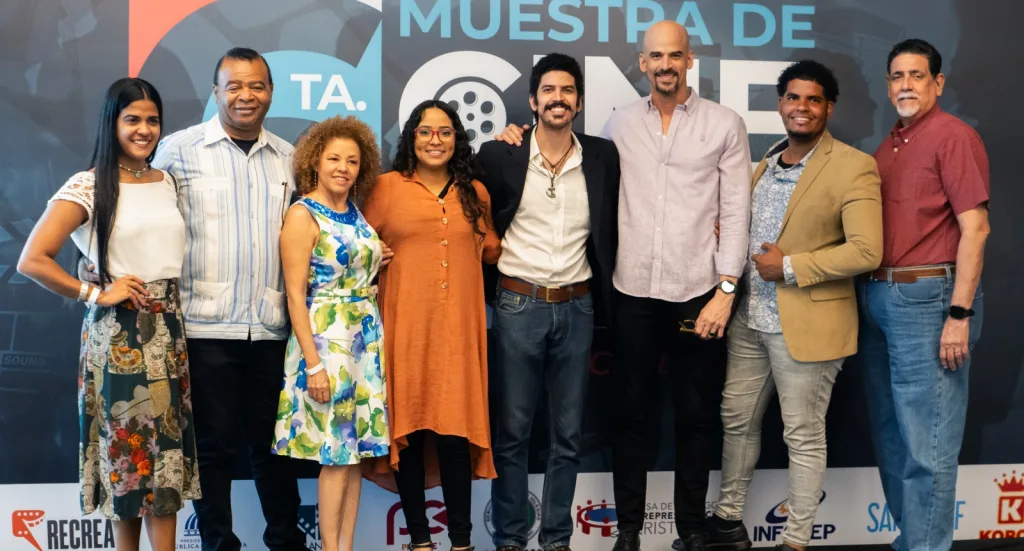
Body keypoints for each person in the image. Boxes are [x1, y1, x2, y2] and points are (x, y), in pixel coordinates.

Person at [500, 22, 752, 551]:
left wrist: (726, 290)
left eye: (674, 55)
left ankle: (691, 530)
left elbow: (735, 211)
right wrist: (514, 135)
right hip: (631, 292)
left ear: (689, 60)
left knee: (695, 416)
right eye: (656, 56)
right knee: (631, 415)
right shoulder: (618, 124)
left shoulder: (725, 124)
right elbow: (569, 153)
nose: (665, 65)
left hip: (698, 292)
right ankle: (629, 531)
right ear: (642, 63)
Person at [703, 60, 883, 551]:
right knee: (736, 420)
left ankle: (796, 540)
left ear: (829, 107)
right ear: (780, 103)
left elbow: (867, 250)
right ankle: (727, 523)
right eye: (793, 98)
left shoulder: (853, 165)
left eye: (813, 99)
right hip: (749, 320)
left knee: (802, 434)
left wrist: (789, 266)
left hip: (808, 324)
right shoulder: (766, 162)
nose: (802, 107)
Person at [18, 77, 200, 551]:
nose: (144, 130)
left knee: (165, 463)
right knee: (128, 460)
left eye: (153, 120)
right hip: (120, 337)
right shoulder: (88, 183)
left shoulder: (166, 181)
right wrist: (94, 292)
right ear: (111, 123)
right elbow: (32, 259)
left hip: (168, 332)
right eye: (132, 119)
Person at [150, 47, 304, 551]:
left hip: (271, 328)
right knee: (212, 450)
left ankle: (286, 541)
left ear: (271, 92)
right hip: (203, 328)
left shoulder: (289, 158)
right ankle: (218, 544)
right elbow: (140, 214)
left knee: (275, 448)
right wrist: (97, 263)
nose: (245, 95)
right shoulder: (178, 150)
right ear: (215, 92)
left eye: (256, 85)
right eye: (233, 86)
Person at [476, 53, 620, 551]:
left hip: (578, 308)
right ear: (533, 101)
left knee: (568, 435)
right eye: (549, 91)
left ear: (579, 101)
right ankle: (510, 539)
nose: (559, 99)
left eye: (568, 90)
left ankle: (557, 539)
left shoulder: (602, 157)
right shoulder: (501, 154)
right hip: (517, 305)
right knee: (513, 432)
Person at [860, 39, 989, 551]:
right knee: (892, 437)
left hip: (929, 300)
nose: (906, 85)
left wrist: (959, 313)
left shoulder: (952, 136)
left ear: (938, 82)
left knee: (927, 443)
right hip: (878, 298)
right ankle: (910, 541)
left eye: (917, 75)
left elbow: (976, 229)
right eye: (898, 76)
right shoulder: (889, 144)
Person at [362, 99, 500, 551]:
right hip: (403, 332)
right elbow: (352, 245)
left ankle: (462, 543)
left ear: (457, 138)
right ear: (411, 138)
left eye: (444, 131)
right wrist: (373, 254)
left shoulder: (475, 193)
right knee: (411, 433)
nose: (435, 140)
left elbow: (492, 251)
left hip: (458, 334)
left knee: (455, 435)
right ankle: (420, 542)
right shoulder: (384, 188)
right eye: (425, 131)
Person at [271, 115, 390, 551]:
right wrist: (314, 365)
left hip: (363, 344)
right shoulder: (302, 214)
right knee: (337, 455)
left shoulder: (354, 212)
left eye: (352, 161)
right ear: (314, 162)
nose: (343, 168)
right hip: (327, 344)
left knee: (353, 457)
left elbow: (352, 258)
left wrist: (374, 257)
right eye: (334, 158)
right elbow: (294, 296)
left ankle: (345, 547)